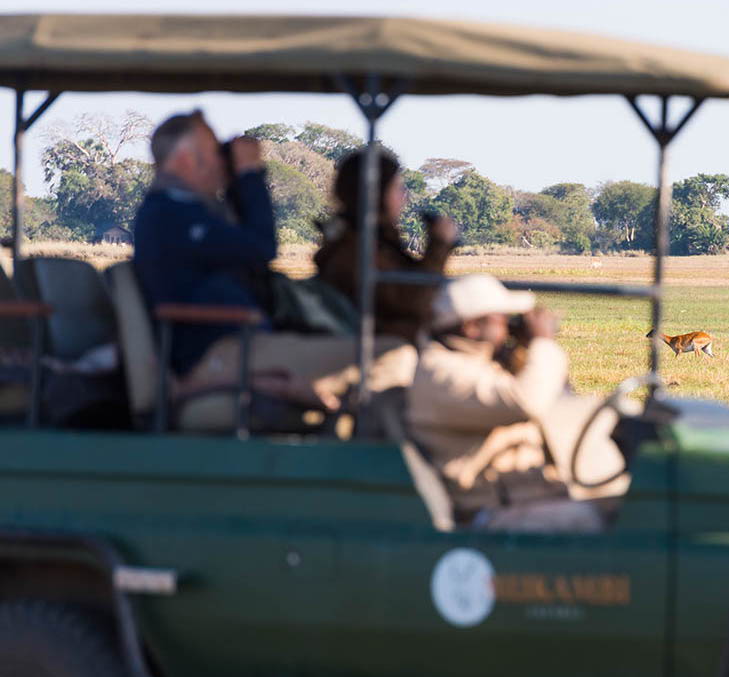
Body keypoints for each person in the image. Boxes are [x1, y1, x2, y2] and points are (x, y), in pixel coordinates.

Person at [132, 111, 415, 415]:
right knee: (393, 354)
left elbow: (248, 251)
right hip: (222, 352)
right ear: (186, 159)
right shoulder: (169, 215)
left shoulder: (188, 212)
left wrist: (237, 184)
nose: (221, 160)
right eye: (215, 152)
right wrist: (250, 173)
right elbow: (261, 247)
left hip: (244, 342)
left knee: (383, 350)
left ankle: (333, 420)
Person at [406, 274, 629, 531]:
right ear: (471, 327)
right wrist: (542, 342)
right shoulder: (441, 373)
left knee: (629, 509)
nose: (508, 326)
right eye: (502, 319)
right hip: (485, 512)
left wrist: (523, 348)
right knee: (588, 519)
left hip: (524, 495)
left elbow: (556, 394)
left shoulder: (478, 362)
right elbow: (527, 401)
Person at [313, 147, 458, 342]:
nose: (403, 197)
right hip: (381, 349)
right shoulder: (358, 251)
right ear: (377, 194)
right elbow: (413, 303)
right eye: (397, 188)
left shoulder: (362, 241)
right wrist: (439, 245)